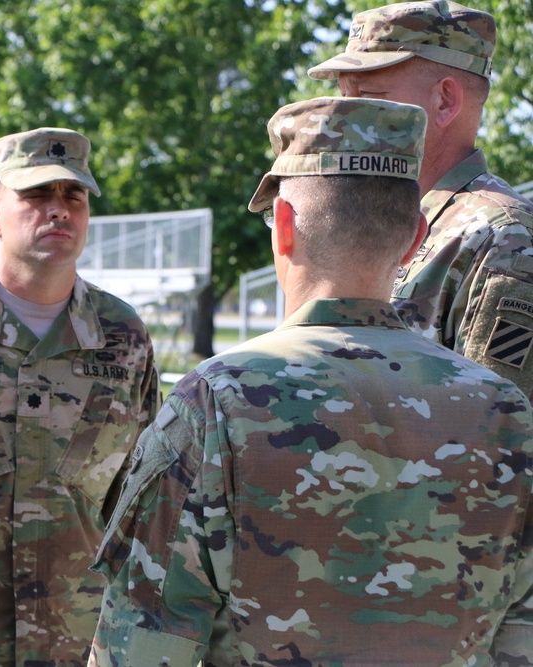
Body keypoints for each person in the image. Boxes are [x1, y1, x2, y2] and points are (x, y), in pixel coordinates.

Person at [89, 97, 533, 666]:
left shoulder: (218, 401)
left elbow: (142, 645)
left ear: (284, 228)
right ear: (415, 235)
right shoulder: (504, 410)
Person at [0, 127, 160, 666]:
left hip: (79, 640)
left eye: (73, 195)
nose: (59, 210)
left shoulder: (123, 334)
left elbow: (143, 493)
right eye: (36, 195)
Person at [307, 0, 533, 399]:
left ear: (445, 101)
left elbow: (502, 433)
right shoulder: (373, 218)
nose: (343, 117)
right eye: (344, 97)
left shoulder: (502, 239)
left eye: (369, 98)